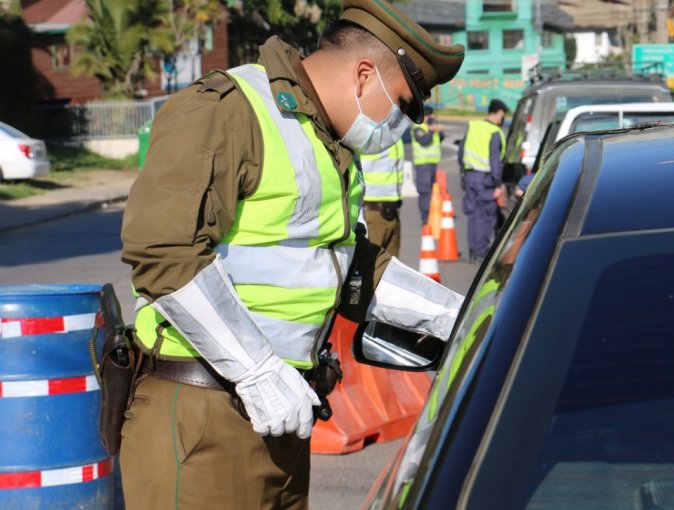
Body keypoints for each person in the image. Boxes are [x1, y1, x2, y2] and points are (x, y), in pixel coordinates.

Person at [118, 0, 465, 508]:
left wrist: (458, 316)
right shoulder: (228, 110)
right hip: (205, 415)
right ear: (364, 75)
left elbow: (347, 267)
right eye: (403, 105)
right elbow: (163, 253)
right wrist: (257, 370)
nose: (403, 124)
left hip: (284, 413)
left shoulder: (328, 143)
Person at [458, 99, 508, 263]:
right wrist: (499, 184)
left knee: (473, 215)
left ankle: (473, 250)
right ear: (499, 112)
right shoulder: (495, 132)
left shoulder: (474, 126)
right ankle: (481, 253)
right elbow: (495, 162)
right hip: (486, 180)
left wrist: (464, 173)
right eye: (503, 114)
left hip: (470, 176)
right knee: (486, 217)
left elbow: (461, 153)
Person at [360, 138, 404, 256]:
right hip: (372, 211)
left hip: (393, 211)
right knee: (371, 265)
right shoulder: (367, 135)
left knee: (391, 269)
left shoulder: (393, 134)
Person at [411, 106, 443, 223]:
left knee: (433, 191)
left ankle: (432, 214)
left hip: (432, 164)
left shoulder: (430, 127)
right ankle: (425, 218)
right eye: (430, 114)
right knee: (425, 192)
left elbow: (440, 139)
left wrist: (439, 131)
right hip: (423, 165)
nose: (432, 117)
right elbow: (424, 140)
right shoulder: (418, 127)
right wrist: (432, 130)